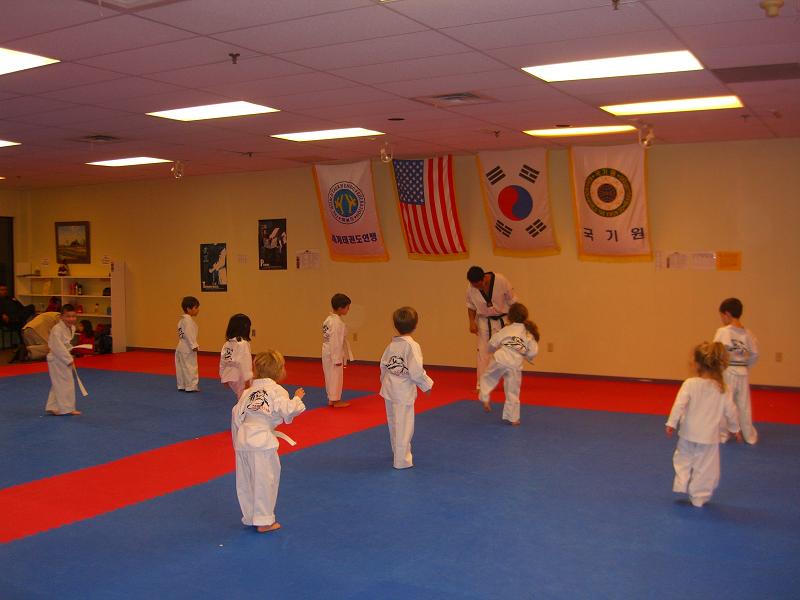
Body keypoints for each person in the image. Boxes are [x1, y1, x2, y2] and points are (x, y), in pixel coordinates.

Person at [231, 350, 306, 533]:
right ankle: (264, 521)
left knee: (246, 480)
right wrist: (297, 398)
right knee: (265, 480)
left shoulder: (247, 392)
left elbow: (236, 415)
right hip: (263, 442)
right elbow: (288, 410)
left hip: (243, 440)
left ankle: (251, 516)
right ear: (280, 371)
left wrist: (238, 441)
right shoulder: (276, 390)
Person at [665, 342, 742, 508]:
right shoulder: (723, 389)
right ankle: (699, 496)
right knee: (705, 467)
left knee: (682, 457)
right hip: (708, 436)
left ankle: (681, 481)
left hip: (688, 432)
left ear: (697, 364)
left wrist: (672, 423)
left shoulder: (690, 383)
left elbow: (679, 405)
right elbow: (731, 411)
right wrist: (735, 428)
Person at [379, 307, 434, 469]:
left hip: (390, 388)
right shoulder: (412, 345)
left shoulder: (392, 345)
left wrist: (384, 382)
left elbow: (383, 365)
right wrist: (426, 385)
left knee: (394, 422)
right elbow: (416, 371)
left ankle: (397, 452)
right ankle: (401, 461)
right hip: (403, 391)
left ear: (395, 325)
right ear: (415, 325)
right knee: (403, 425)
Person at [479, 302, 540, 426]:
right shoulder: (528, 333)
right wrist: (527, 355)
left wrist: (491, 350)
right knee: (513, 391)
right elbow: (533, 351)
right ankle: (514, 418)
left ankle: (485, 398)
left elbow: (492, 342)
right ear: (525, 316)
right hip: (515, 365)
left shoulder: (506, 329)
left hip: (500, 359)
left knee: (488, 377)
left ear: (510, 317)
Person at [713, 297, 759, 445]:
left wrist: (716, 370)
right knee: (744, 405)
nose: (722, 319)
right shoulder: (748, 333)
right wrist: (745, 365)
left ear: (727, 314)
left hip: (728, 371)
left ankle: (723, 435)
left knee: (725, 402)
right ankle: (749, 436)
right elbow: (755, 353)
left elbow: (715, 352)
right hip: (742, 371)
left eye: (722, 316)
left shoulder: (722, 332)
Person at [465, 266, 518, 390]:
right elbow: (471, 306)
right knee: (483, 353)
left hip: (504, 320)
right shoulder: (471, 288)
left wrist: (514, 321)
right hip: (484, 321)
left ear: (484, 278)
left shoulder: (501, 280)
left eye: (478, 285)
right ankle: (481, 384)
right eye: (474, 285)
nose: (476, 288)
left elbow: (513, 301)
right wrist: (471, 322)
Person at [45, 304, 81, 416]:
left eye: (73, 316)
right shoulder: (57, 329)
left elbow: (65, 344)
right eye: (68, 316)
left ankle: (52, 406)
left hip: (62, 357)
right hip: (56, 359)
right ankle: (66, 408)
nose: (71, 319)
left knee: (59, 383)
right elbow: (57, 347)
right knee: (65, 383)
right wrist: (68, 359)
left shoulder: (72, 328)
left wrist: (71, 351)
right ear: (61, 317)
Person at [322, 293, 352, 408]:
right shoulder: (335, 322)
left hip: (328, 350)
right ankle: (335, 401)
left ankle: (332, 399)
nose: (348, 310)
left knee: (330, 376)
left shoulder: (329, 319)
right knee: (335, 376)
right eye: (347, 307)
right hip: (333, 351)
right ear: (340, 308)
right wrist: (336, 358)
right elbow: (335, 340)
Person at [220, 313, 253, 401]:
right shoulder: (243, 344)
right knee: (244, 398)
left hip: (230, 376)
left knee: (241, 396)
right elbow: (245, 363)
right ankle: (241, 409)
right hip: (240, 376)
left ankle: (241, 407)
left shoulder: (227, 343)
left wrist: (223, 376)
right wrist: (247, 380)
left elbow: (223, 361)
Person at [175, 296, 200, 392]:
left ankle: (182, 385)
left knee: (181, 367)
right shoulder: (188, 321)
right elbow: (189, 335)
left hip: (180, 346)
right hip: (188, 347)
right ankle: (191, 386)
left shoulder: (181, 320)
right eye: (196, 307)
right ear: (189, 309)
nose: (197, 310)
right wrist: (194, 345)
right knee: (190, 367)